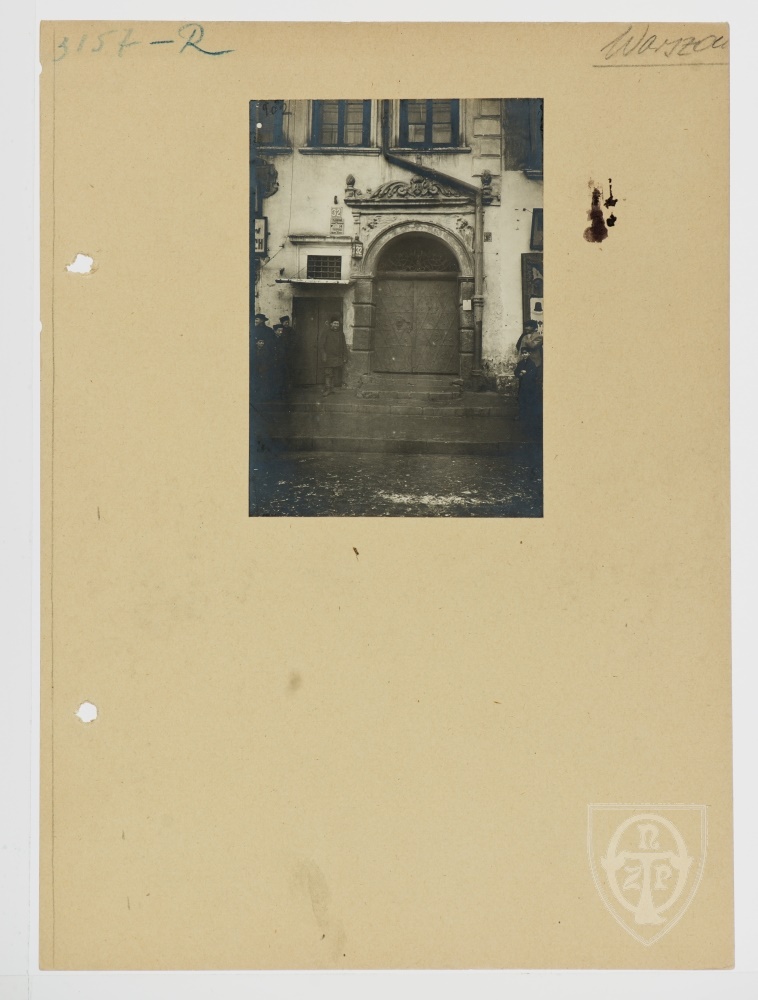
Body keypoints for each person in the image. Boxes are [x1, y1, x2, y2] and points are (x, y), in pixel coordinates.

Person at [515, 320, 543, 438]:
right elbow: (519, 347)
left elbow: (532, 345)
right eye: (525, 326)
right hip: (524, 364)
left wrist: (526, 337)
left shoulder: (538, 337)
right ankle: (522, 414)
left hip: (534, 366)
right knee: (522, 390)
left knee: (532, 390)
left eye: (529, 327)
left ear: (534, 328)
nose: (526, 328)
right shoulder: (524, 336)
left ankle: (532, 415)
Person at [317, 314, 349, 396]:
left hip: (337, 357)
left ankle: (332, 388)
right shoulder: (326, 332)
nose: (336, 325)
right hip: (328, 357)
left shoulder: (341, 334)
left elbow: (344, 345)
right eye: (334, 323)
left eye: (337, 324)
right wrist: (323, 355)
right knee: (328, 373)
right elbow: (321, 344)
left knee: (334, 373)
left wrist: (345, 356)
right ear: (331, 324)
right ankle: (328, 389)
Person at [251, 312, 277, 402]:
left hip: (266, 357)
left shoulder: (269, 331)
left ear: (262, 321)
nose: (255, 321)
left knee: (266, 376)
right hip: (256, 357)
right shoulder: (253, 329)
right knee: (256, 375)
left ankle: (266, 396)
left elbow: (272, 344)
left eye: (257, 319)